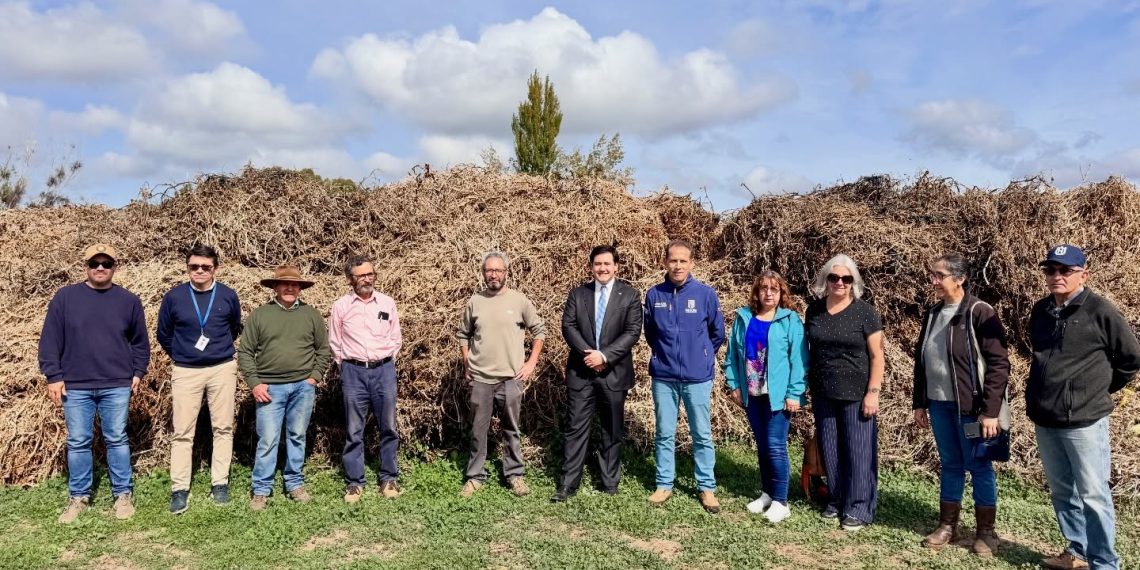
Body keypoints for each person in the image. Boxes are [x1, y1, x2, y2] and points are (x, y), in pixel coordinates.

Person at [1028, 244, 1140, 570]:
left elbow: (1131, 358)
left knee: (1093, 494)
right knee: (1063, 492)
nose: (1057, 276)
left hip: (1084, 421)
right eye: (1050, 270)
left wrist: (1097, 389)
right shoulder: (1041, 310)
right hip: (1045, 417)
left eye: (1065, 270)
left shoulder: (1100, 310)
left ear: (1083, 274)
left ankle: (1105, 563)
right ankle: (1077, 553)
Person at [38, 244, 150, 523]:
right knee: (78, 441)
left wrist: (137, 372)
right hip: (75, 385)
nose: (100, 268)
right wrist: (53, 375)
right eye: (95, 263)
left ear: (115, 267)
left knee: (116, 438)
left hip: (116, 383)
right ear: (86, 266)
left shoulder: (128, 301)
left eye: (106, 263)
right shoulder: (65, 298)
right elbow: (50, 339)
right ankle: (79, 497)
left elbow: (140, 343)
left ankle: (122, 495)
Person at [911, 253, 1010, 556]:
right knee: (951, 464)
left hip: (971, 409)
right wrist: (920, 402)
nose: (934, 282)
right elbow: (922, 360)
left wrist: (990, 412)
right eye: (933, 275)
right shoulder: (933, 312)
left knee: (979, 465)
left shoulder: (979, 312)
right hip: (939, 405)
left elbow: (999, 364)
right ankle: (947, 526)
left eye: (939, 275)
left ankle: (986, 532)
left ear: (960, 279)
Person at [552, 245, 643, 502]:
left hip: (614, 373)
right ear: (591, 267)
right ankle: (568, 484)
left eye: (607, 264)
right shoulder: (578, 294)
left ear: (616, 266)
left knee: (612, 429)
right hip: (581, 373)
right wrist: (589, 355)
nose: (602, 269)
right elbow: (568, 327)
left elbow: (632, 332)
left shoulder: (630, 295)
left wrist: (604, 356)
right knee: (575, 428)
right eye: (597, 264)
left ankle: (609, 482)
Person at [157, 244, 243, 513]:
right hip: (186, 371)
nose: (200, 271)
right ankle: (179, 488)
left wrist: (214, 352)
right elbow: (164, 334)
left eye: (205, 267)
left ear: (214, 268)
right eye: (194, 266)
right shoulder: (174, 297)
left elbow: (233, 328)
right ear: (188, 268)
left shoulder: (228, 295)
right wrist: (184, 354)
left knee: (223, 428)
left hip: (222, 369)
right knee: (182, 432)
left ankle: (220, 483)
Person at [238, 265, 331, 511]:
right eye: (285, 284)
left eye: (295, 285)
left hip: (303, 387)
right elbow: (246, 352)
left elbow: (323, 350)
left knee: (297, 436)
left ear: (300, 288)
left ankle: (294, 483)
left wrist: (314, 377)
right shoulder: (260, 315)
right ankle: (261, 489)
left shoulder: (311, 315)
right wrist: (255, 383)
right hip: (270, 389)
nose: (290, 288)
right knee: (267, 439)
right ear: (275, 287)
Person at [643, 239, 726, 513]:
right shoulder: (654, 295)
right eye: (673, 260)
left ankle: (707, 488)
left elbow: (717, 333)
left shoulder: (705, 294)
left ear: (692, 263)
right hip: (664, 376)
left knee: (701, 433)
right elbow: (650, 334)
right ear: (665, 262)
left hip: (697, 377)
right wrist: (665, 356)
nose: (677, 266)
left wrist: (701, 355)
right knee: (665, 432)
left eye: (683, 261)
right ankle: (664, 483)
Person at [455, 251, 547, 498]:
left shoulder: (519, 301)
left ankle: (515, 475)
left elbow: (539, 331)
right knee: (478, 429)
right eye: (489, 270)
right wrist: (466, 361)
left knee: (511, 429)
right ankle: (475, 477)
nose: (493, 274)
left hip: (510, 378)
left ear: (506, 272)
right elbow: (463, 334)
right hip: (481, 379)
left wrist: (531, 363)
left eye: (498, 270)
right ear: (483, 273)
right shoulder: (475, 301)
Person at [805, 254, 884, 532]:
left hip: (856, 393)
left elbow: (877, 357)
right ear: (825, 280)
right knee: (830, 447)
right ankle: (836, 499)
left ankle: (859, 506)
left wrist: (872, 393)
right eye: (834, 278)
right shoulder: (814, 310)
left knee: (859, 450)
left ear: (854, 283)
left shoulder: (865, 313)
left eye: (846, 279)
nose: (840, 282)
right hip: (824, 391)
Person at [723, 270, 808, 524]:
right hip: (752, 393)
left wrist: (795, 393)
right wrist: (734, 384)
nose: (768, 293)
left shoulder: (790, 321)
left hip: (779, 396)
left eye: (774, 289)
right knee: (762, 446)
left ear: (782, 293)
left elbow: (800, 360)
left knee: (775, 446)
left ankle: (782, 501)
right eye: (763, 289)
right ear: (756, 292)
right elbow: (731, 355)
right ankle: (767, 494)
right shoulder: (744, 317)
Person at [329, 255, 403, 503]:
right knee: (354, 429)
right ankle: (354, 482)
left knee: (389, 427)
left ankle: (389, 477)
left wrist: (383, 361)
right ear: (351, 279)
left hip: (384, 370)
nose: (367, 279)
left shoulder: (387, 302)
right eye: (361, 275)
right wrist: (350, 365)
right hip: (353, 372)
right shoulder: (341, 306)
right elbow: (335, 343)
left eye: (370, 274)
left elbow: (395, 338)